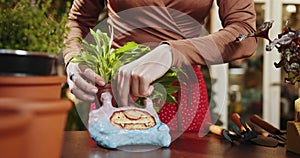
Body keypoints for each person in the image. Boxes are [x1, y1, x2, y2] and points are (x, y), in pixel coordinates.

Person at [64, 0, 257, 132]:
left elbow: (245, 33)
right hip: (117, 92)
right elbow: (78, 21)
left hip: (182, 96)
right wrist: (74, 61)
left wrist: (172, 52)